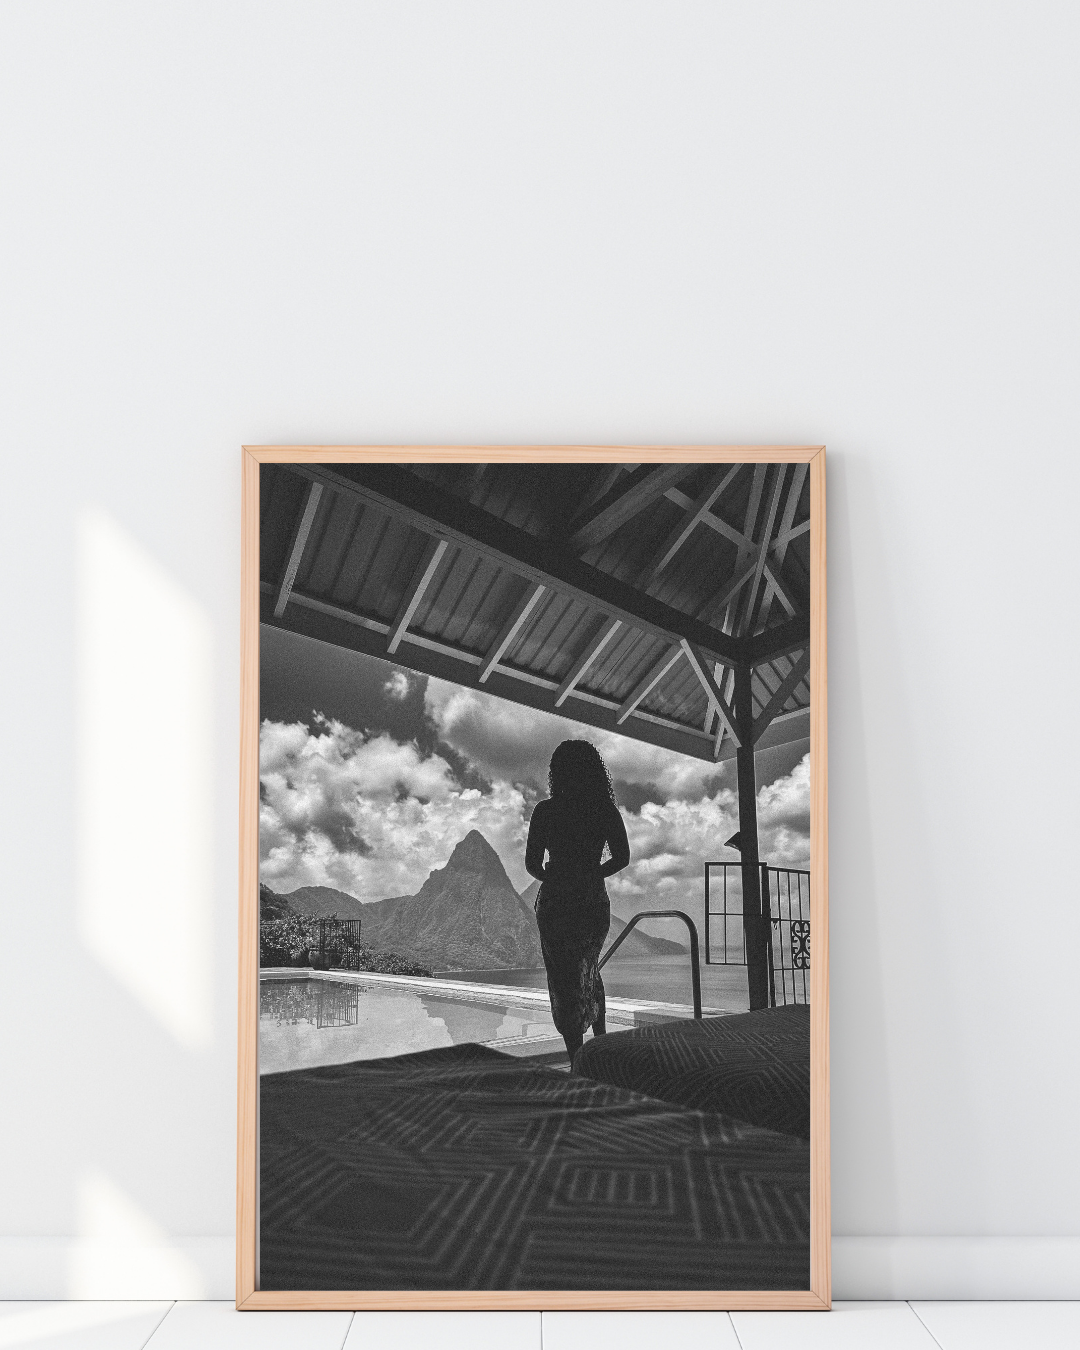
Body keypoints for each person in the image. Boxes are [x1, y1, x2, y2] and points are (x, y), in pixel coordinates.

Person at [525, 740, 631, 1062]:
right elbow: (622, 858)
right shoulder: (604, 810)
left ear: (557, 773)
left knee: (564, 979)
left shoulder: (546, 811)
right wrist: (591, 873)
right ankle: (599, 1046)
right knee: (589, 970)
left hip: (558, 904)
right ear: (594, 771)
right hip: (591, 902)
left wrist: (556, 876)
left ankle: (577, 1058)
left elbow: (532, 863)